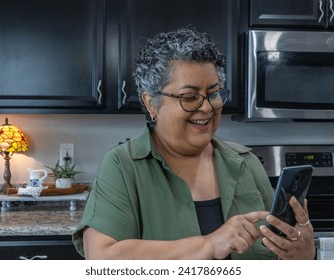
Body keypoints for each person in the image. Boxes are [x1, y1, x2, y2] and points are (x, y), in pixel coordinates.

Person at [72, 28, 315, 260]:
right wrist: (209, 244)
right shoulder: (122, 166)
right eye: (189, 97)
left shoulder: (246, 164)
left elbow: (279, 257)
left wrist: (302, 254)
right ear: (151, 103)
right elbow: (101, 258)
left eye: (213, 93)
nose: (207, 107)